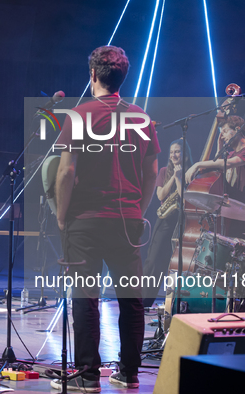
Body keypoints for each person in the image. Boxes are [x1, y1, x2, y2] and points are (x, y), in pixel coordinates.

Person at [51, 45, 160, 392]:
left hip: (85, 219)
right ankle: (128, 373)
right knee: (131, 300)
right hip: (127, 219)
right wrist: (137, 210)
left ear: (94, 75)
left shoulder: (80, 115)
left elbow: (67, 171)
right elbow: (152, 172)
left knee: (86, 297)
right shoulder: (141, 118)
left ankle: (86, 375)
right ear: (121, 78)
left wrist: (62, 215)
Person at [185, 115, 245, 238]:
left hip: (243, 217)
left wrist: (198, 164)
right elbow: (218, 168)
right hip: (228, 216)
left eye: (225, 131)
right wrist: (219, 145)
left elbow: (228, 164)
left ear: (237, 129)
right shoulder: (229, 154)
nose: (222, 136)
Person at [142, 139, 193, 308]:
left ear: (185, 155)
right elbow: (160, 195)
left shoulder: (191, 173)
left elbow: (185, 199)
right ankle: (144, 301)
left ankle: (175, 304)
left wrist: (179, 178)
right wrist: (172, 178)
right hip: (165, 220)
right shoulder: (164, 171)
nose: (173, 155)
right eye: (171, 152)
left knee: (177, 264)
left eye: (177, 151)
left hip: (182, 221)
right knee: (154, 261)